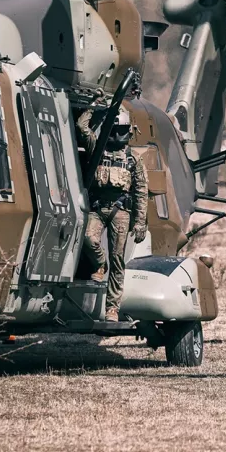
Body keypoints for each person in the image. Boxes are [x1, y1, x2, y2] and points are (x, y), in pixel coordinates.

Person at [77, 104, 148, 322]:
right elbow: (82, 127)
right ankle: (101, 263)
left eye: (122, 130)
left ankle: (112, 309)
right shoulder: (97, 149)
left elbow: (141, 191)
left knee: (118, 260)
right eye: (115, 130)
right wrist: (93, 108)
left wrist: (140, 222)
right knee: (88, 238)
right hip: (98, 208)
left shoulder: (133, 159)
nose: (118, 135)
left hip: (121, 211)